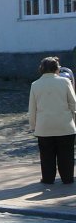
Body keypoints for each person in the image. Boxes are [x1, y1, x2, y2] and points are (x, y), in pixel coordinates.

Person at [28, 56, 76, 185]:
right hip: (65, 125)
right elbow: (74, 104)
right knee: (66, 154)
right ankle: (67, 178)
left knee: (46, 156)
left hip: (44, 127)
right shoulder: (65, 82)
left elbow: (32, 109)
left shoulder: (35, 85)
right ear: (56, 68)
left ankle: (48, 179)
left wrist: (33, 126)